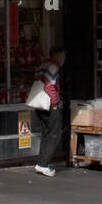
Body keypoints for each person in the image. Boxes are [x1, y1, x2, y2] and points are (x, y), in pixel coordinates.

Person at [33, 47, 66, 177]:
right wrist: (55, 103)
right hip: (49, 105)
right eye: (62, 57)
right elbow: (49, 86)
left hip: (40, 105)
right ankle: (43, 164)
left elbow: (36, 79)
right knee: (54, 134)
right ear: (57, 57)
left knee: (46, 134)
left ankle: (41, 163)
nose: (64, 60)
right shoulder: (53, 67)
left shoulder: (43, 66)